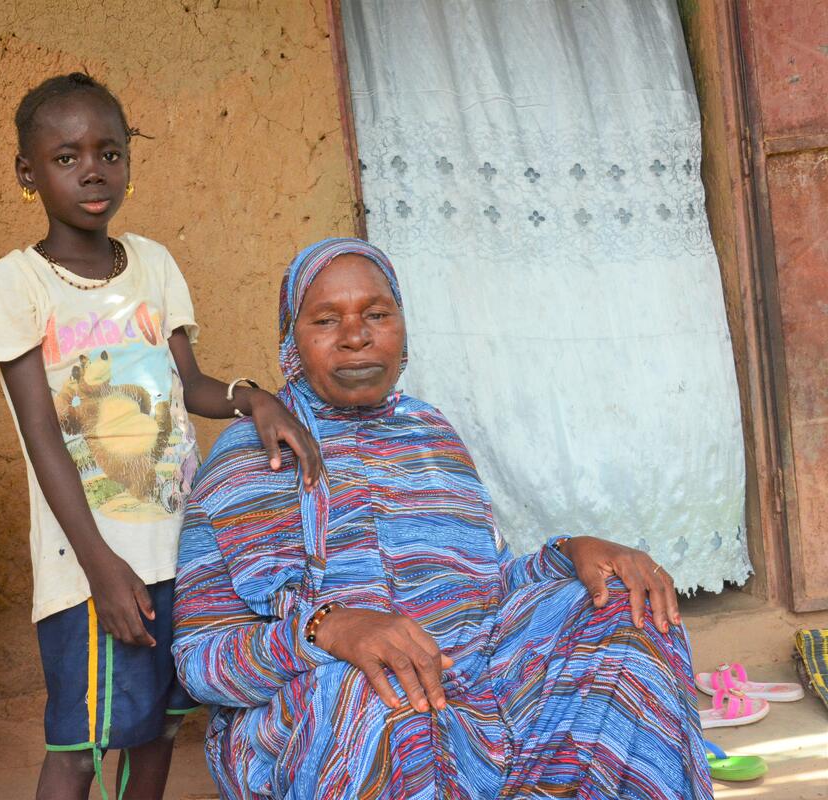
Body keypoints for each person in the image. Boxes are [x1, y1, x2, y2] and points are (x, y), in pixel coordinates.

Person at [173, 237, 714, 799]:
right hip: (322, 713)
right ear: (292, 341)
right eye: (326, 320)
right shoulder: (243, 462)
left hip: (473, 683)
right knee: (385, 693)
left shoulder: (431, 434)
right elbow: (199, 662)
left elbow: (487, 590)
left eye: (377, 315)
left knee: (629, 610)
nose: (356, 336)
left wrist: (573, 551)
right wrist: (326, 630)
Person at [0, 73, 321, 800]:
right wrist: (101, 568)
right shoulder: (15, 284)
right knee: (81, 744)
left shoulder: (154, 263)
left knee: (159, 733)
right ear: (26, 173)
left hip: (181, 554)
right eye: (65, 158)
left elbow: (188, 383)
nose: (92, 170)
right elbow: (41, 437)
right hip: (91, 565)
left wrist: (251, 399)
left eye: (109, 152)